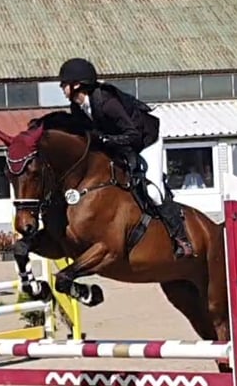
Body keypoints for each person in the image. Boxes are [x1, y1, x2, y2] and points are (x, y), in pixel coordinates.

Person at [58, 57, 194, 258]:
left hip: (146, 140)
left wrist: (105, 140)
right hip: (119, 142)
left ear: (77, 85)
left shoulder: (106, 102)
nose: (62, 88)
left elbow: (133, 135)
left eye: (64, 84)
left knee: (153, 191)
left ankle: (182, 238)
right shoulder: (77, 107)